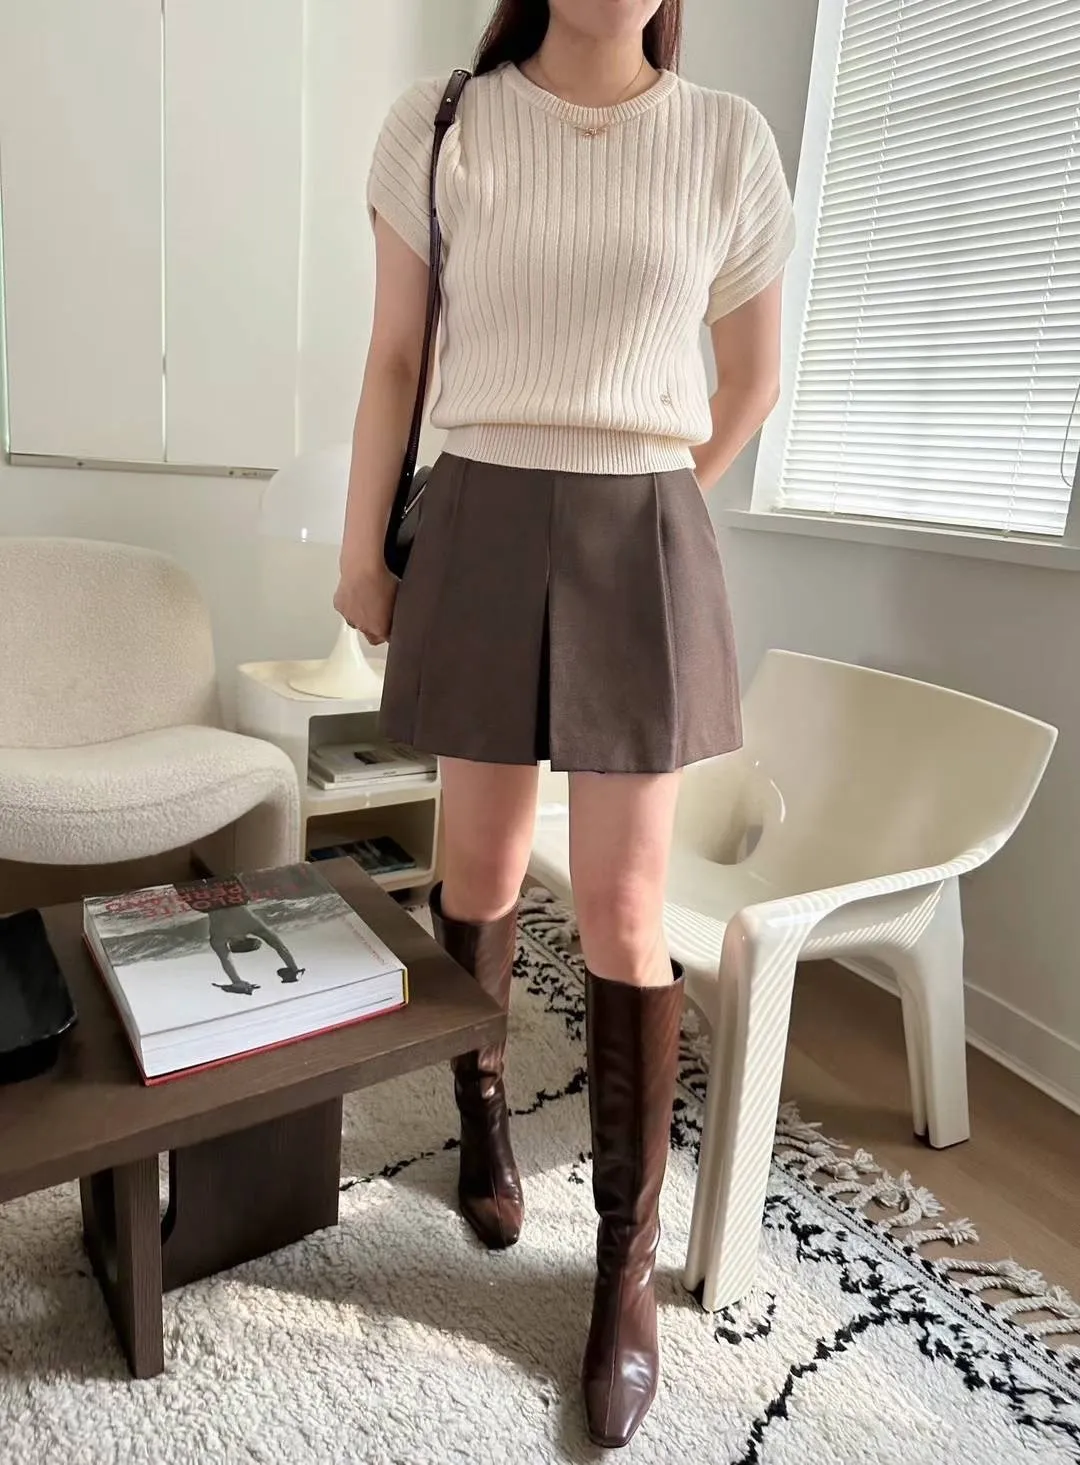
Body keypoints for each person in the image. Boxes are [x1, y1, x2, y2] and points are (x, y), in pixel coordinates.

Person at [335, 0, 794, 1446]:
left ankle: (621, 1271)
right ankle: (481, 1119)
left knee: (622, 905)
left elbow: (752, 379)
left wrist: (654, 515)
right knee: (474, 867)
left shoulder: (726, 139)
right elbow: (396, 358)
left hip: (638, 517)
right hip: (477, 509)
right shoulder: (444, 123)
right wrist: (361, 548)